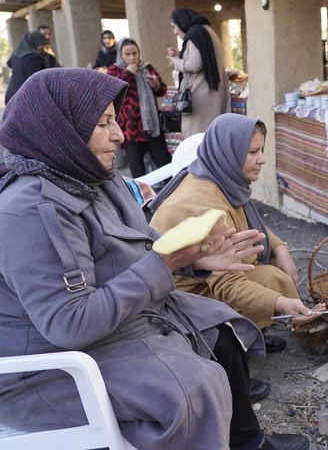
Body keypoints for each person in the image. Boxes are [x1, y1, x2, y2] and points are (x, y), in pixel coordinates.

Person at [0, 68, 310, 450]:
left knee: (223, 332)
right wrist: (164, 265)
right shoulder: (32, 210)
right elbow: (69, 322)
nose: (120, 135)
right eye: (104, 123)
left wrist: (196, 258)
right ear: (58, 130)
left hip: (120, 324)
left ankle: (246, 440)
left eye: (115, 121)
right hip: (53, 366)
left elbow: (144, 239)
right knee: (193, 388)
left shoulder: (93, 178)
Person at [150, 114, 325, 354]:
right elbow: (228, 285)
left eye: (262, 150)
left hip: (205, 274)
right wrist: (284, 304)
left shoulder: (217, 176)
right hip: (182, 294)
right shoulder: (206, 206)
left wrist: (281, 247)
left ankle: (256, 329)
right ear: (228, 152)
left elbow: (246, 224)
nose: (262, 159)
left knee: (269, 254)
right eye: (253, 152)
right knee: (272, 278)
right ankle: (234, 354)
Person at [107, 38, 172, 179]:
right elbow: (113, 91)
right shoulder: (114, 70)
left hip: (152, 126)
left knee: (164, 164)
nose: (132, 58)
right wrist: (128, 73)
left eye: (134, 53)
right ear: (120, 55)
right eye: (127, 54)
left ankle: (171, 193)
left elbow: (162, 90)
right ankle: (143, 199)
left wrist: (156, 86)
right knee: (137, 168)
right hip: (131, 128)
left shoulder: (146, 67)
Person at [168, 8, 230, 139]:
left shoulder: (196, 33)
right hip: (212, 94)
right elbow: (203, 58)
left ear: (182, 22)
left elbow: (195, 64)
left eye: (174, 26)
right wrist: (180, 56)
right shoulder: (206, 31)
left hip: (200, 98)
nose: (175, 31)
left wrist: (175, 62)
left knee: (197, 140)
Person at [5, 31, 48, 105]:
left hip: (11, 95)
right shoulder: (34, 58)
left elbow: (9, 63)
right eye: (41, 45)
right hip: (24, 99)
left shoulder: (16, 54)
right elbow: (36, 82)